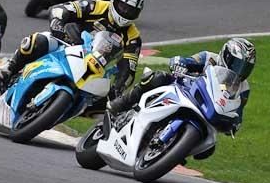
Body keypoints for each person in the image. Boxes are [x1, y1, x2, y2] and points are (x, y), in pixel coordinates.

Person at [0, 0, 144, 102]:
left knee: (107, 104)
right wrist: (57, 25)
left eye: (130, 11)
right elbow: (59, 10)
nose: (125, 13)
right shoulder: (96, 6)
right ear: (114, 1)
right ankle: (10, 68)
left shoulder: (133, 37)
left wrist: (118, 87)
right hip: (68, 45)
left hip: (95, 69)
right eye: (123, 7)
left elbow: (129, 70)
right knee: (37, 41)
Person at [108, 37, 256, 139]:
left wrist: (235, 124)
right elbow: (185, 60)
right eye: (237, 64)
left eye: (245, 68)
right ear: (226, 55)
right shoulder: (209, 58)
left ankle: (172, 150)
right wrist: (179, 63)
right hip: (183, 89)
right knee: (158, 77)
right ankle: (123, 103)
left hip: (205, 111)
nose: (240, 70)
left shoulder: (243, 88)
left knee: (208, 147)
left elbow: (238, 110)